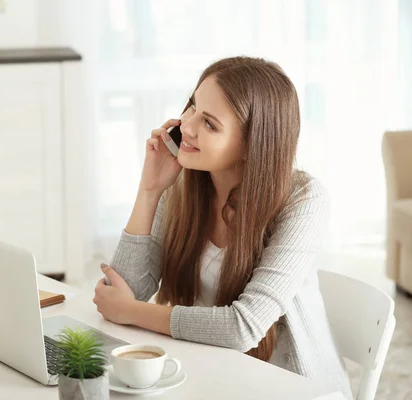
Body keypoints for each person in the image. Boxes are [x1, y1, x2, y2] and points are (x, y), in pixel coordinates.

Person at [92, 56, 353, 398]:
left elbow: (244, 328)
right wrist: (150, 190)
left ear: (252, 146)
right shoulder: (185, 183)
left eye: (210, 124)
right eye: (193, 107)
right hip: (212, 372)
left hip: (290, 387)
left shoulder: (303, 200)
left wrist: (133, 312)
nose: (186, 126)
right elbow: (125, 290)